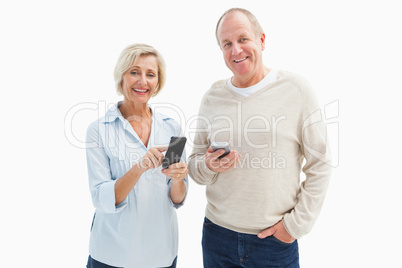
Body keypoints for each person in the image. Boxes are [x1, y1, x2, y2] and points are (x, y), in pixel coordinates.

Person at [188, 8, 332, 268]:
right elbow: (194, 165)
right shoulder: (213, 96)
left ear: (261, 40)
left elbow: (320, 164)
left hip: (274, 243)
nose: (236, 51)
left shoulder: (296, 89)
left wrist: (295, 226)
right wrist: (208, 166)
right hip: (217, 237)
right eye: (227, 44)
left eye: (243, 39)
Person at [86, 43, 188, 268]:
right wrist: (139, 168)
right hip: (112, 255)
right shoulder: (99, 130)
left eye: (150, 74)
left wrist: (179, 178)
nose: (143, 81)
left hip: (160, 254)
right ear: (120, 76)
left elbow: (178, 199)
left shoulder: (172, 128)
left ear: (157, 82)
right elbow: (100, 198)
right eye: (134, 72)